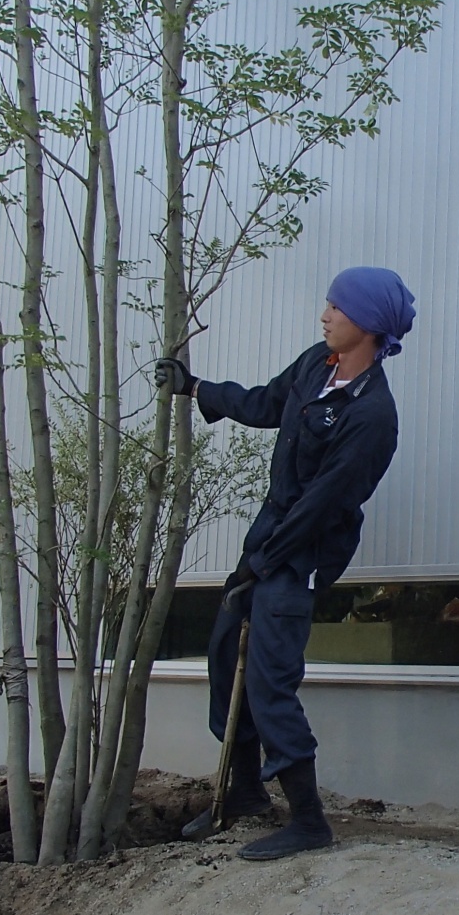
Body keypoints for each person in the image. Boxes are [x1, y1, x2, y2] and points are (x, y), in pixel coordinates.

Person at [152, 266, 415, 861]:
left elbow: (324, 505)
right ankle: (244, 792)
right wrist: (195, 389)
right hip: (268, 540)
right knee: (225, 654)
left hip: (301, 556)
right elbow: (266, 403)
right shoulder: (314, 367)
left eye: (336, 309)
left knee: (271, 677)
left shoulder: (373, 416)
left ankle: (308, 818)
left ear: (369, 324)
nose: (324, 315)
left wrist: (265, 565)